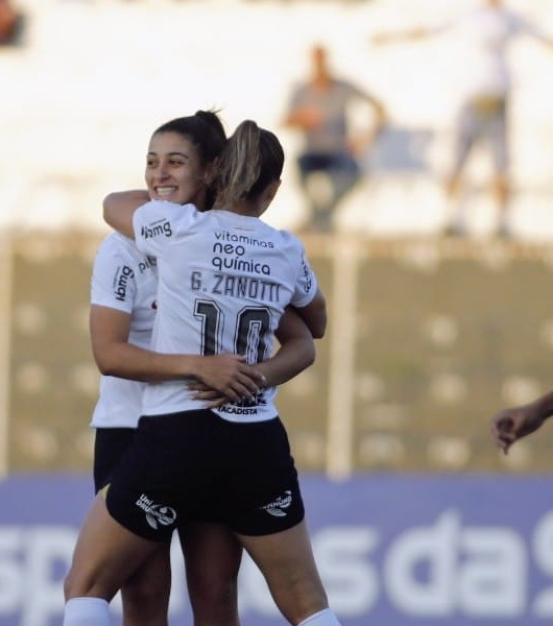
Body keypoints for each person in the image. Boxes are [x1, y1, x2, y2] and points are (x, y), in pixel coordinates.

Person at [63, 119, 338, 626]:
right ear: (273, 189)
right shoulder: (283, 247)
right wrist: (255, 369)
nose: (160, 174)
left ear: (217, 173)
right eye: (152, 161)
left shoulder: (178, 232)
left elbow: (111, 205)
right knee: (303, 601)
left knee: (94, 587)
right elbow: (314, 326)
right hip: (249, 435)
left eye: (175, 161)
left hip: (176, 431)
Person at [373, 0, 553, 238]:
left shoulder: (511, 18)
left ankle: (502, 219)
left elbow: (542, 37)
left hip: (497, 103)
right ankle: (452, 216)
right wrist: (392, 37)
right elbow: (429, 29)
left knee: (501, 166)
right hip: (472, 102)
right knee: (458, 162)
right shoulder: (468, 15)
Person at [284, 44, 387, 234]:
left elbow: (379, 108)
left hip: (339, 151)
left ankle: (322, 215)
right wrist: (303, 119)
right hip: (312, 151)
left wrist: (365, 137)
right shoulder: (303, 90)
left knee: (353, 174)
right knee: (298, 170)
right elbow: (285, 120)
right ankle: (318, 215)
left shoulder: (343, 88)